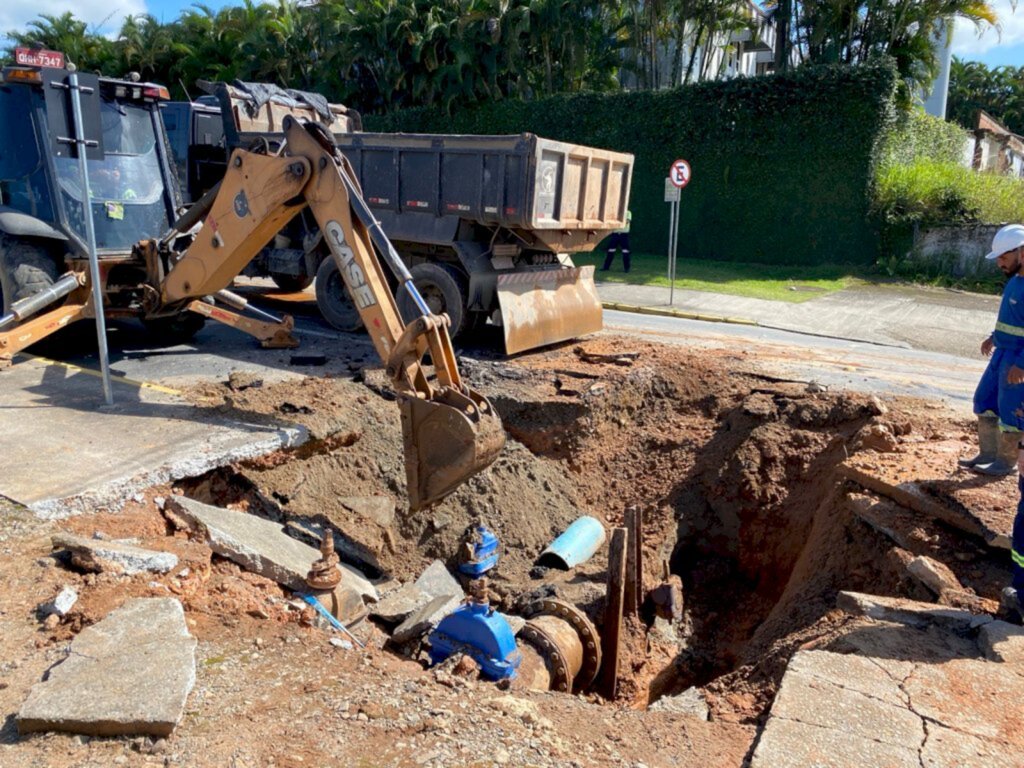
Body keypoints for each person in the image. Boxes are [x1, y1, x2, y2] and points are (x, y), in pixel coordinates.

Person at [959, 224, 1024, 476]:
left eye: (1004, 257)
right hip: (1002, 353)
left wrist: (1022, 363)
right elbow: (1012, 319)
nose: (1000, 263)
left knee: (1011, 409)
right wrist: (993, 337)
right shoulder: (1014, 282)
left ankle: (1005, 463)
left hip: (1017, 360)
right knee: (984, 399)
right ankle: (987, 453)